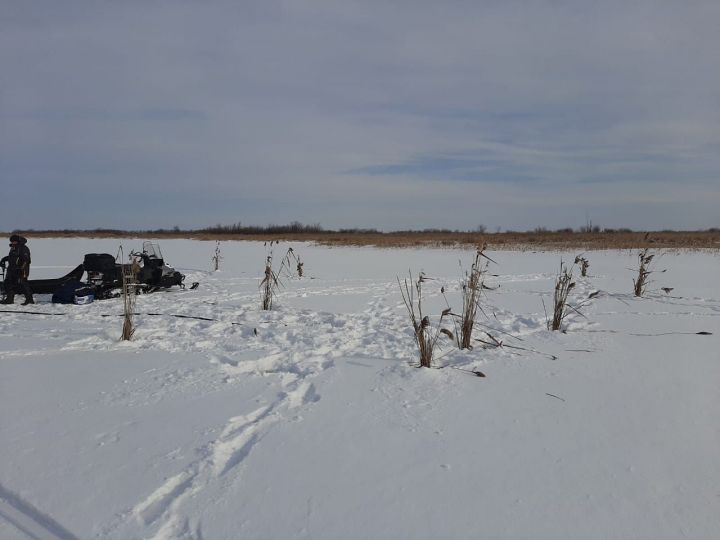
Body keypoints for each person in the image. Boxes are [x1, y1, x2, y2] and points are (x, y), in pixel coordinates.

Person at [1, 235, 34, 305]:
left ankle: (29, 299)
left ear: (18, 241)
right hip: (12, 270)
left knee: (23, 284)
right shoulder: (13, 248)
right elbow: (12, 257)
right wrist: (4, 259)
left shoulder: (23, 248)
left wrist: (21, 269)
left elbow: (26, 260)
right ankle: (9, 299)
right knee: (8, 283)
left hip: (22, 270)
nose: (13, 242)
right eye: (12, 241)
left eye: (14, 241)